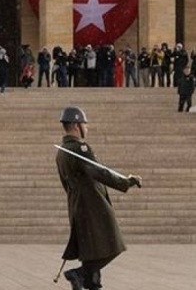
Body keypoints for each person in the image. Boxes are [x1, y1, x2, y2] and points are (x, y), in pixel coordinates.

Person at [56, 107, 142, 290]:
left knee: (93, 248)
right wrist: (125, 182)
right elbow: (99, 172)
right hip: (92, 205)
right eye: (85, 123)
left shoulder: (62, 151)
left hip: (78, 203)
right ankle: (78, 273)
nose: (87, 127)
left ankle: (91, 283)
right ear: (75, 125)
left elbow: (65, 183)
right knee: (113, 243)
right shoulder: (80, 148)